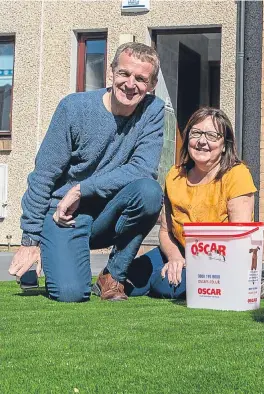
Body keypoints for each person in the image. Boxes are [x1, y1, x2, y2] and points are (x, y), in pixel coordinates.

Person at [8, 42, 165, 302]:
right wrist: (29, 240)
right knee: (71, 294)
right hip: (64, 214)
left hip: (106, 212)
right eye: (124, 73)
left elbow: (143, 168)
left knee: (149, 193)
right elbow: (43, 177)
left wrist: (82, 188)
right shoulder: (74, 109)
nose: (130, 84)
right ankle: (53, 249)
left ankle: (112, 277)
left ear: (151, 85)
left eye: (141, 78)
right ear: (111, 72)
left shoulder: (152, 110)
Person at [124, 107, 257, 299]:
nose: (202, 141)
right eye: (196, 133)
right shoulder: (174, 175)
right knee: (124, 278)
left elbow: (240, 241)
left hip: (218, 261)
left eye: (212, 135)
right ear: (188, 139)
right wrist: (175, 257)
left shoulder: (237, 175)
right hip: (179, 250)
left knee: (165, 286)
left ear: (225, 144)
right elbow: (165, 231)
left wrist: (191, 262)